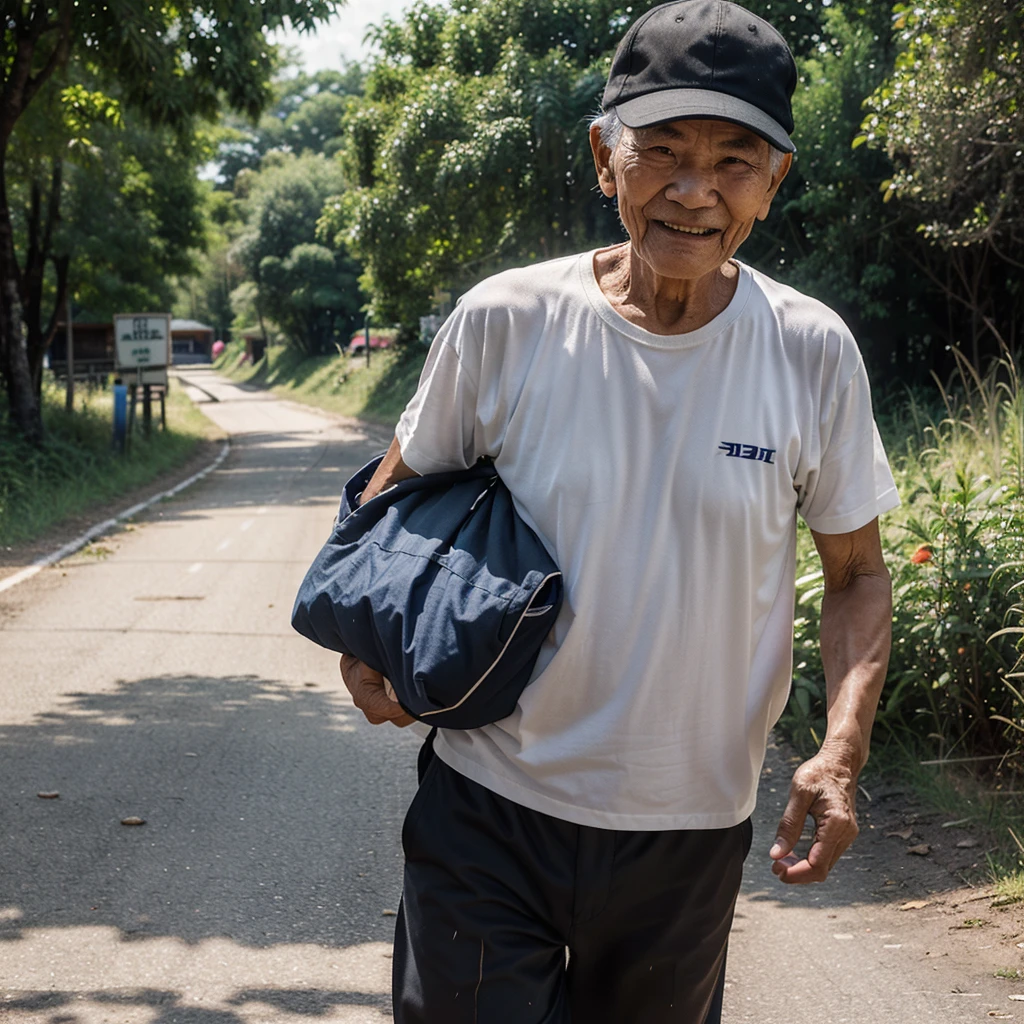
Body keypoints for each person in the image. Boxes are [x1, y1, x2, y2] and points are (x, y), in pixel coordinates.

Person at [339, 1, 900, 1020]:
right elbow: (396, 496)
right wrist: (366, 636)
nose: (694, 191)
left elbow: (857, 576)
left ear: (773, 185)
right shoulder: (506, 320)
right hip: (488, 806)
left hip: (688, 831)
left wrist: (841, 747)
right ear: (606, 158)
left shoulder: (809, 351)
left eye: (734, 160)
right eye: (663, 152)